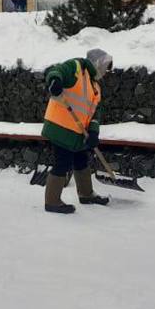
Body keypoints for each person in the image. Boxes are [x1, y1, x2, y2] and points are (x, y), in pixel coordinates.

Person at [41, 48, 113, 214]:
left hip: (78, 131)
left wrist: (94, 132)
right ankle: (52, 201)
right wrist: (54, 81)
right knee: (62, 162)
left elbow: (95, 112)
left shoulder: (95, 87)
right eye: (104, 67)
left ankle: (86, 195)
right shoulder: (77, 67)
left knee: (81, 161)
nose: (106, 72)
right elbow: (57, 71)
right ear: (97, 63)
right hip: (60, 126)